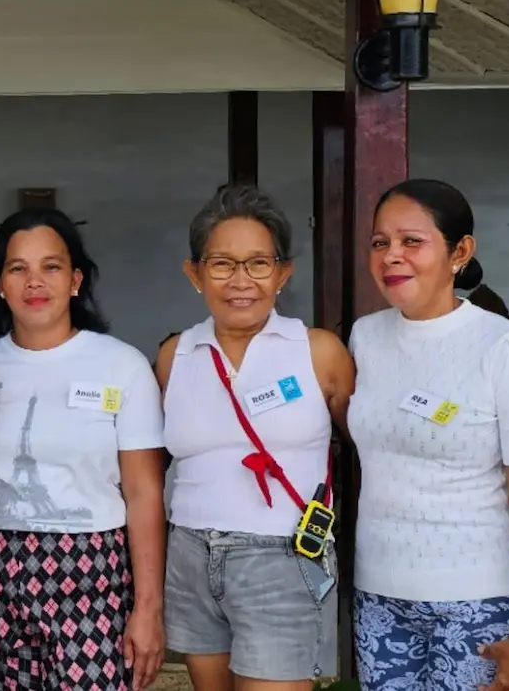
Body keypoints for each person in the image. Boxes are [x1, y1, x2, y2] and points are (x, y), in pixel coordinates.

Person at [350, 179, 509, 691]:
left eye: (411, 242)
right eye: (380, 243)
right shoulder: (366, 337)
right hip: (378, 595)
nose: (391, 256)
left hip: (476, 600)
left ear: (460, 251)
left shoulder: (507, 346)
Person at [154, 184, 355, 691]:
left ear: (283, 272)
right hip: (191, 555)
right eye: (222, 264)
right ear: (194, 273)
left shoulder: (319, 352)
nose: (240, 281)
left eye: (258, 264)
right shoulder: (174, 356)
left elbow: (366, 446)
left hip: (283, 555)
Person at [0, 208, 166, 691]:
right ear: (0, 283)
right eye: (18, 268)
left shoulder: (120, 366)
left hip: (93, 575)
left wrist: (148, 609)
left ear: (76, 279)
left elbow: (144, 493)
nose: (34, 282)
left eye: (51, 266)